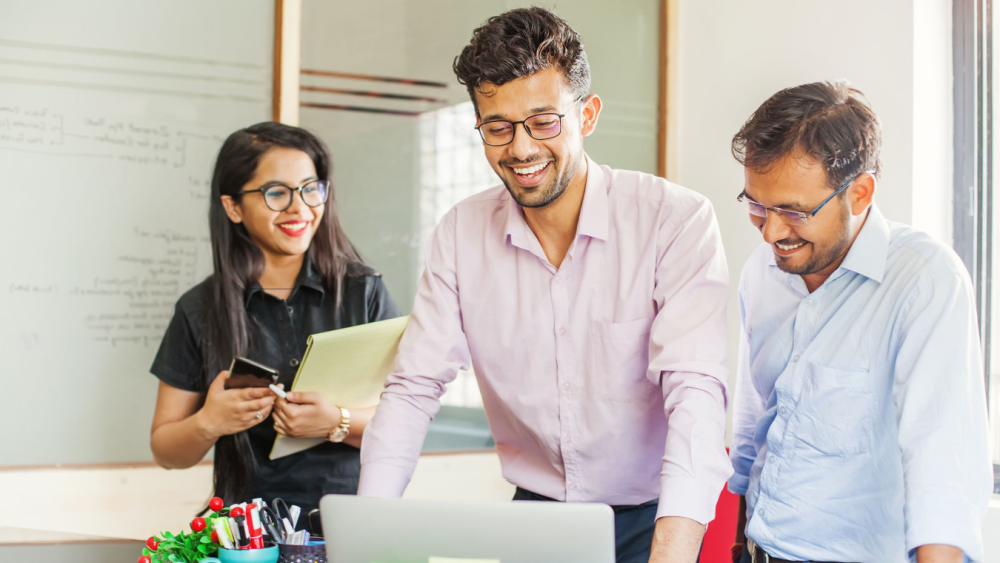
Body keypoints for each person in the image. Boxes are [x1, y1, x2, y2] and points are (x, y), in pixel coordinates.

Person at [357, 8, 731, 563]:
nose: (522, 149)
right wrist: (367, 535)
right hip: (534, 520)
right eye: (498, 127)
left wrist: (671, 553)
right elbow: (413, 391)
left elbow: (696, 393)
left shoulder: (672, 220)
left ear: (589, 114)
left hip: (653, 518)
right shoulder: (462, 233)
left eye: (544, 122)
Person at [727, 81, 993, 563]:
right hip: (756, 550)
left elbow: (940, 466)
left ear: (861, 193)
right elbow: (754, 426)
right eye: (756, 206)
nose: (770, 231)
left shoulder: (924, 281)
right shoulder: (761, 272)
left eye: (793, 210)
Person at [148, 122, 400, 526]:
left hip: (354, 525)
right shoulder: (198, 308)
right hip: (246, 535)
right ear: (232, 207)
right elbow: (165, 450)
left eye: (310, 188)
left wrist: (337, 421)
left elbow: (406, 422)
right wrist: (209, 421)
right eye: (276, 193)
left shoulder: (363, 291)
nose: (299, 208)